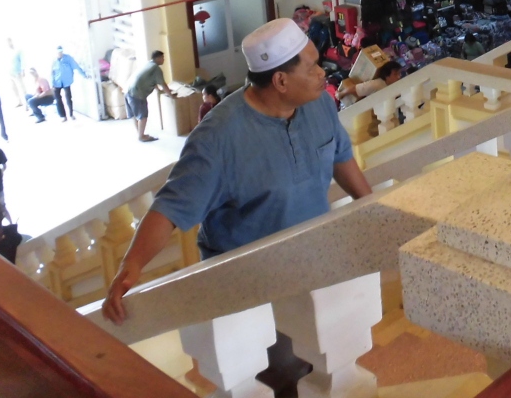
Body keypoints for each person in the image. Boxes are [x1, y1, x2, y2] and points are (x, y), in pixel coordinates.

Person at [102, 19, 371, 323]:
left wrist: (373, 207)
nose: (322, 73)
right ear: (280, 81)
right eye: (311, 68)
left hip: (313, 264)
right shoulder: (218, 139)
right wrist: (131, 267)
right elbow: (169, 210)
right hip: (247, 289)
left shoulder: (319, 103)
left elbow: (340, 157)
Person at [126, 50, 177, 142]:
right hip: (137, 93)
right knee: (143, 116)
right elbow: (163, 84)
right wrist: (171, 95)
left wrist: (158, 90)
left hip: (127, 90)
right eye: (162, 58)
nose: (164, 60)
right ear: (158, 58)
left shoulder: (148, 64)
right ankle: (141, 136)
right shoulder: (156, 69)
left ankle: (139, 133)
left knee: (134, 115)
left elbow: (153, 80)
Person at [337, 60, 402, 108]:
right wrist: (341, 94)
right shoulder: (376, 84)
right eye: (395, 74)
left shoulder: (394, 86)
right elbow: (354, 88)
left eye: (399, 73)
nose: (399, 77)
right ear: (387, 76)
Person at [49, 46, 86, 121]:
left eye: (61, 51)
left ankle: (71, 114)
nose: (60, 53)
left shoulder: (68, 58)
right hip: (57, 82)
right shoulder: (53, 61)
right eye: (58, 52)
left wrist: (84, 75)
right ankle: (63, 116)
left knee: (68, 98)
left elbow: (76, 66)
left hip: (66, 81)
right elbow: (51, 72)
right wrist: (51, 83)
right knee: (58, 99)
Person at [4, 38, 28, 113]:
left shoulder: (18, 50)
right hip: (10, 73)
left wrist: (23, 69)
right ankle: (19, 101)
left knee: (22, 88)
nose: (8, 43)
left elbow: (23, 60)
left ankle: (27, 103)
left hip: (17, 72)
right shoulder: (7, 52)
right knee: (13, 88)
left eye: (9, 41)